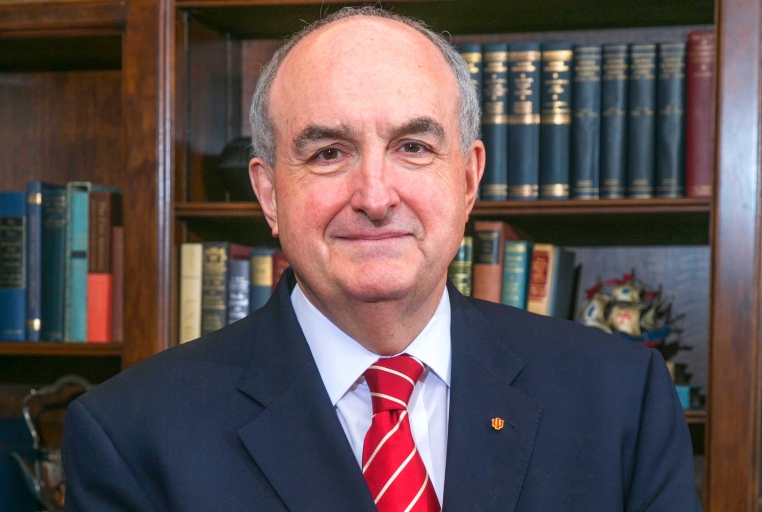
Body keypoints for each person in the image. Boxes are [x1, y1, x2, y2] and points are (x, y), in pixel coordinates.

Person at [62, 6, 701, 511]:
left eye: (415, 147)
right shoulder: (132, 433)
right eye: (328, 153)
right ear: (269, 193)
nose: (374, 197)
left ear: (469, 179)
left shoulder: (622, 400)